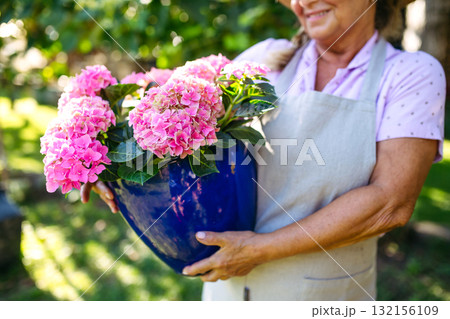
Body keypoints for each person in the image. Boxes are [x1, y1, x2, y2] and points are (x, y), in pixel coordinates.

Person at [81, 0, 446, 300]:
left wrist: (260, 250)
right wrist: (107, 162)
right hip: (225, 295)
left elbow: (390, 203)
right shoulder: (266, 58)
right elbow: (176, 117)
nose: (303, 3)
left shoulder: (409, 74)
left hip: (324, 297)